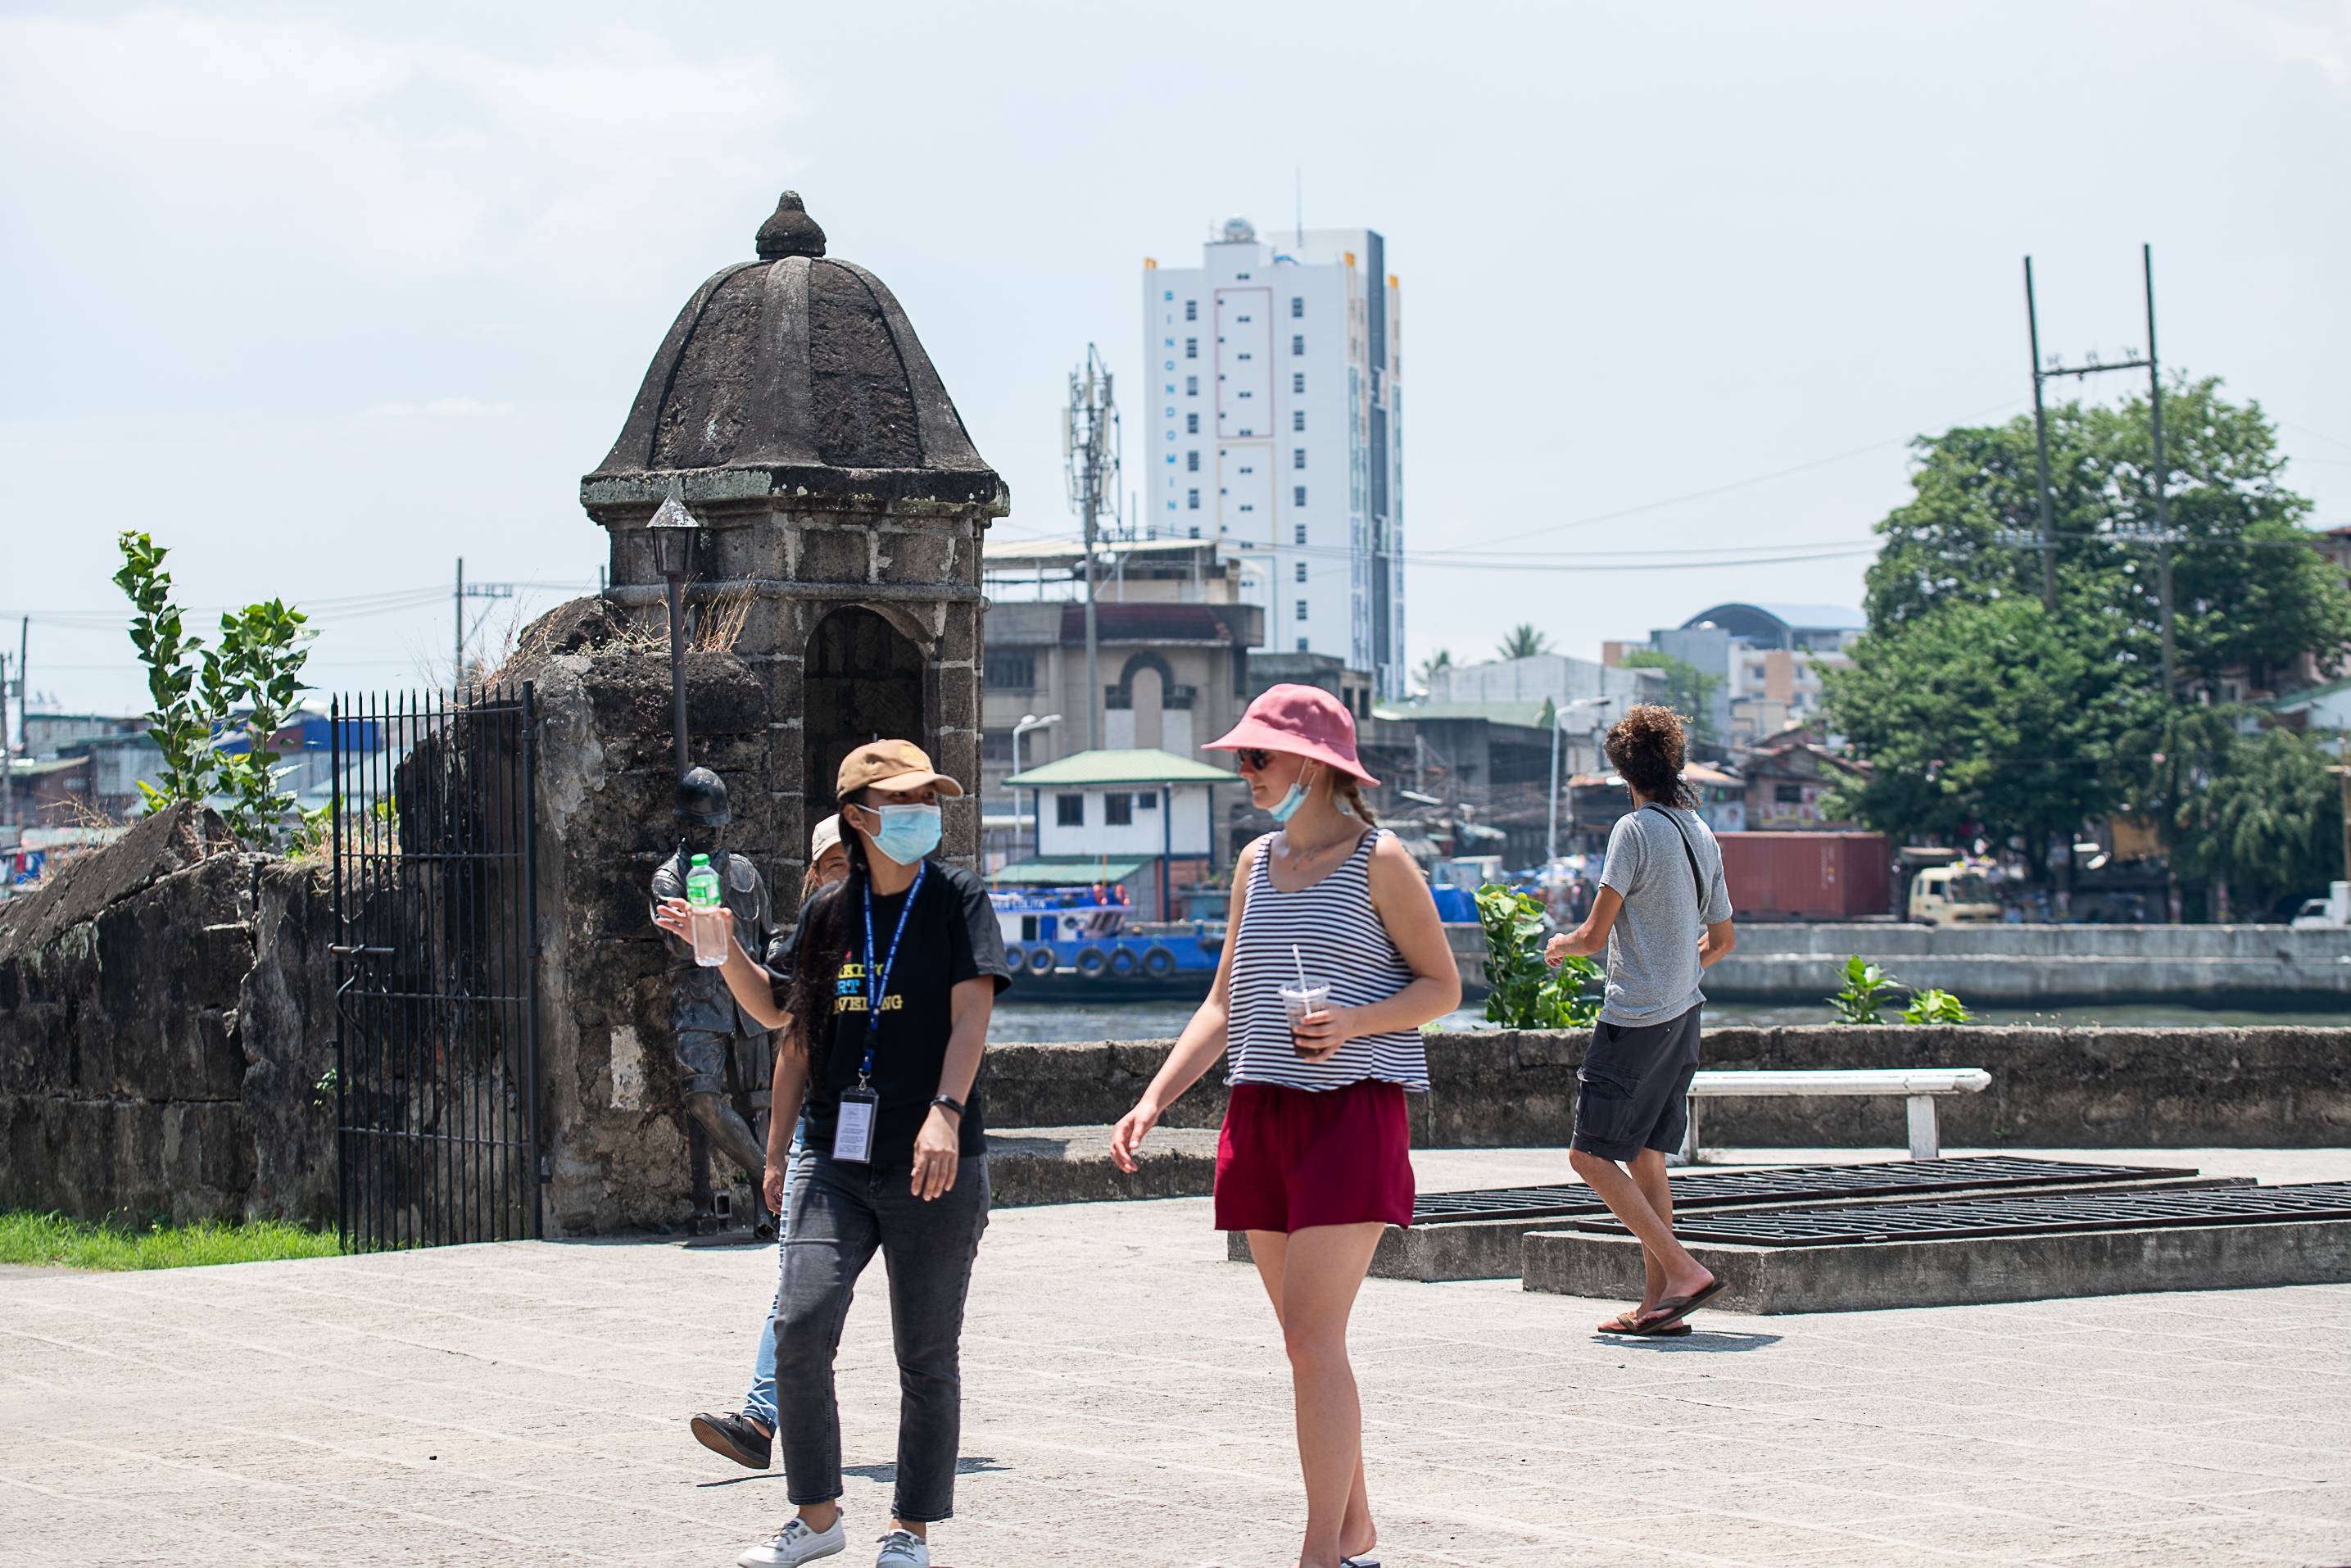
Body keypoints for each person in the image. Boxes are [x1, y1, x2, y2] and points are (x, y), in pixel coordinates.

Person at [1109, 684, 1461, 1568]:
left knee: (1310, 1338)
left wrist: (1353, 1022)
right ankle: (1357, 1535)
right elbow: (1224, 1002)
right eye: (1241, 755)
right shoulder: (1255, 862)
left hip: (1351, 1110)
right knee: (1308, 1347)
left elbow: (1441, 988)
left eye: (1258, 755)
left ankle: (1318, 1554)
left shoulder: (1380, 858)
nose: (1243, 769)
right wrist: (1153, 1098)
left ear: (1316, 762)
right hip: (1259, 1107)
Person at [751, 741, 1007, 1568]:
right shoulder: (829, 913)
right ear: (858, 817)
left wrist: (944, 1111)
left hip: (932, 1158)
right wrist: (719, 953)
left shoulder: (956, 899)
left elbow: (970, 1018)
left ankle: (910, 1528)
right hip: (834, 1154)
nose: (922, 813)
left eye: (929, 798)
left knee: (924, 1352)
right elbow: (787, 1025)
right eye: (903, 801)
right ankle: (818, 1519)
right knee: (800, 1325)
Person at [662, 814, 850, 1471]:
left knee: (923, 1325)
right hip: (826, 1136)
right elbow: (790, 1039)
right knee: (797, 1289)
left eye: (849, 863)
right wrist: (775, 1155)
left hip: (902, 1136)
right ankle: (761, 1419)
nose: (840, 875)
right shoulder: (811, 942)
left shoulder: (916, 928)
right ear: (812, 876)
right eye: (828, 866)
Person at [1543, 704, 1737, 1336]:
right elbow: (1724, 939)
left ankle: (1683, 1271)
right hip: (1684, 1017)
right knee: (1649, 1158)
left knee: (1590, 1156)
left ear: (1622, 770)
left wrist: (1560, 945)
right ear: (1674, 762)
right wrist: (1679, 972)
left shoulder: (1633, 830)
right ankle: (1659, 1307)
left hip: (1635, 1019)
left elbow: (1595, 934)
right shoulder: (1698, 831)